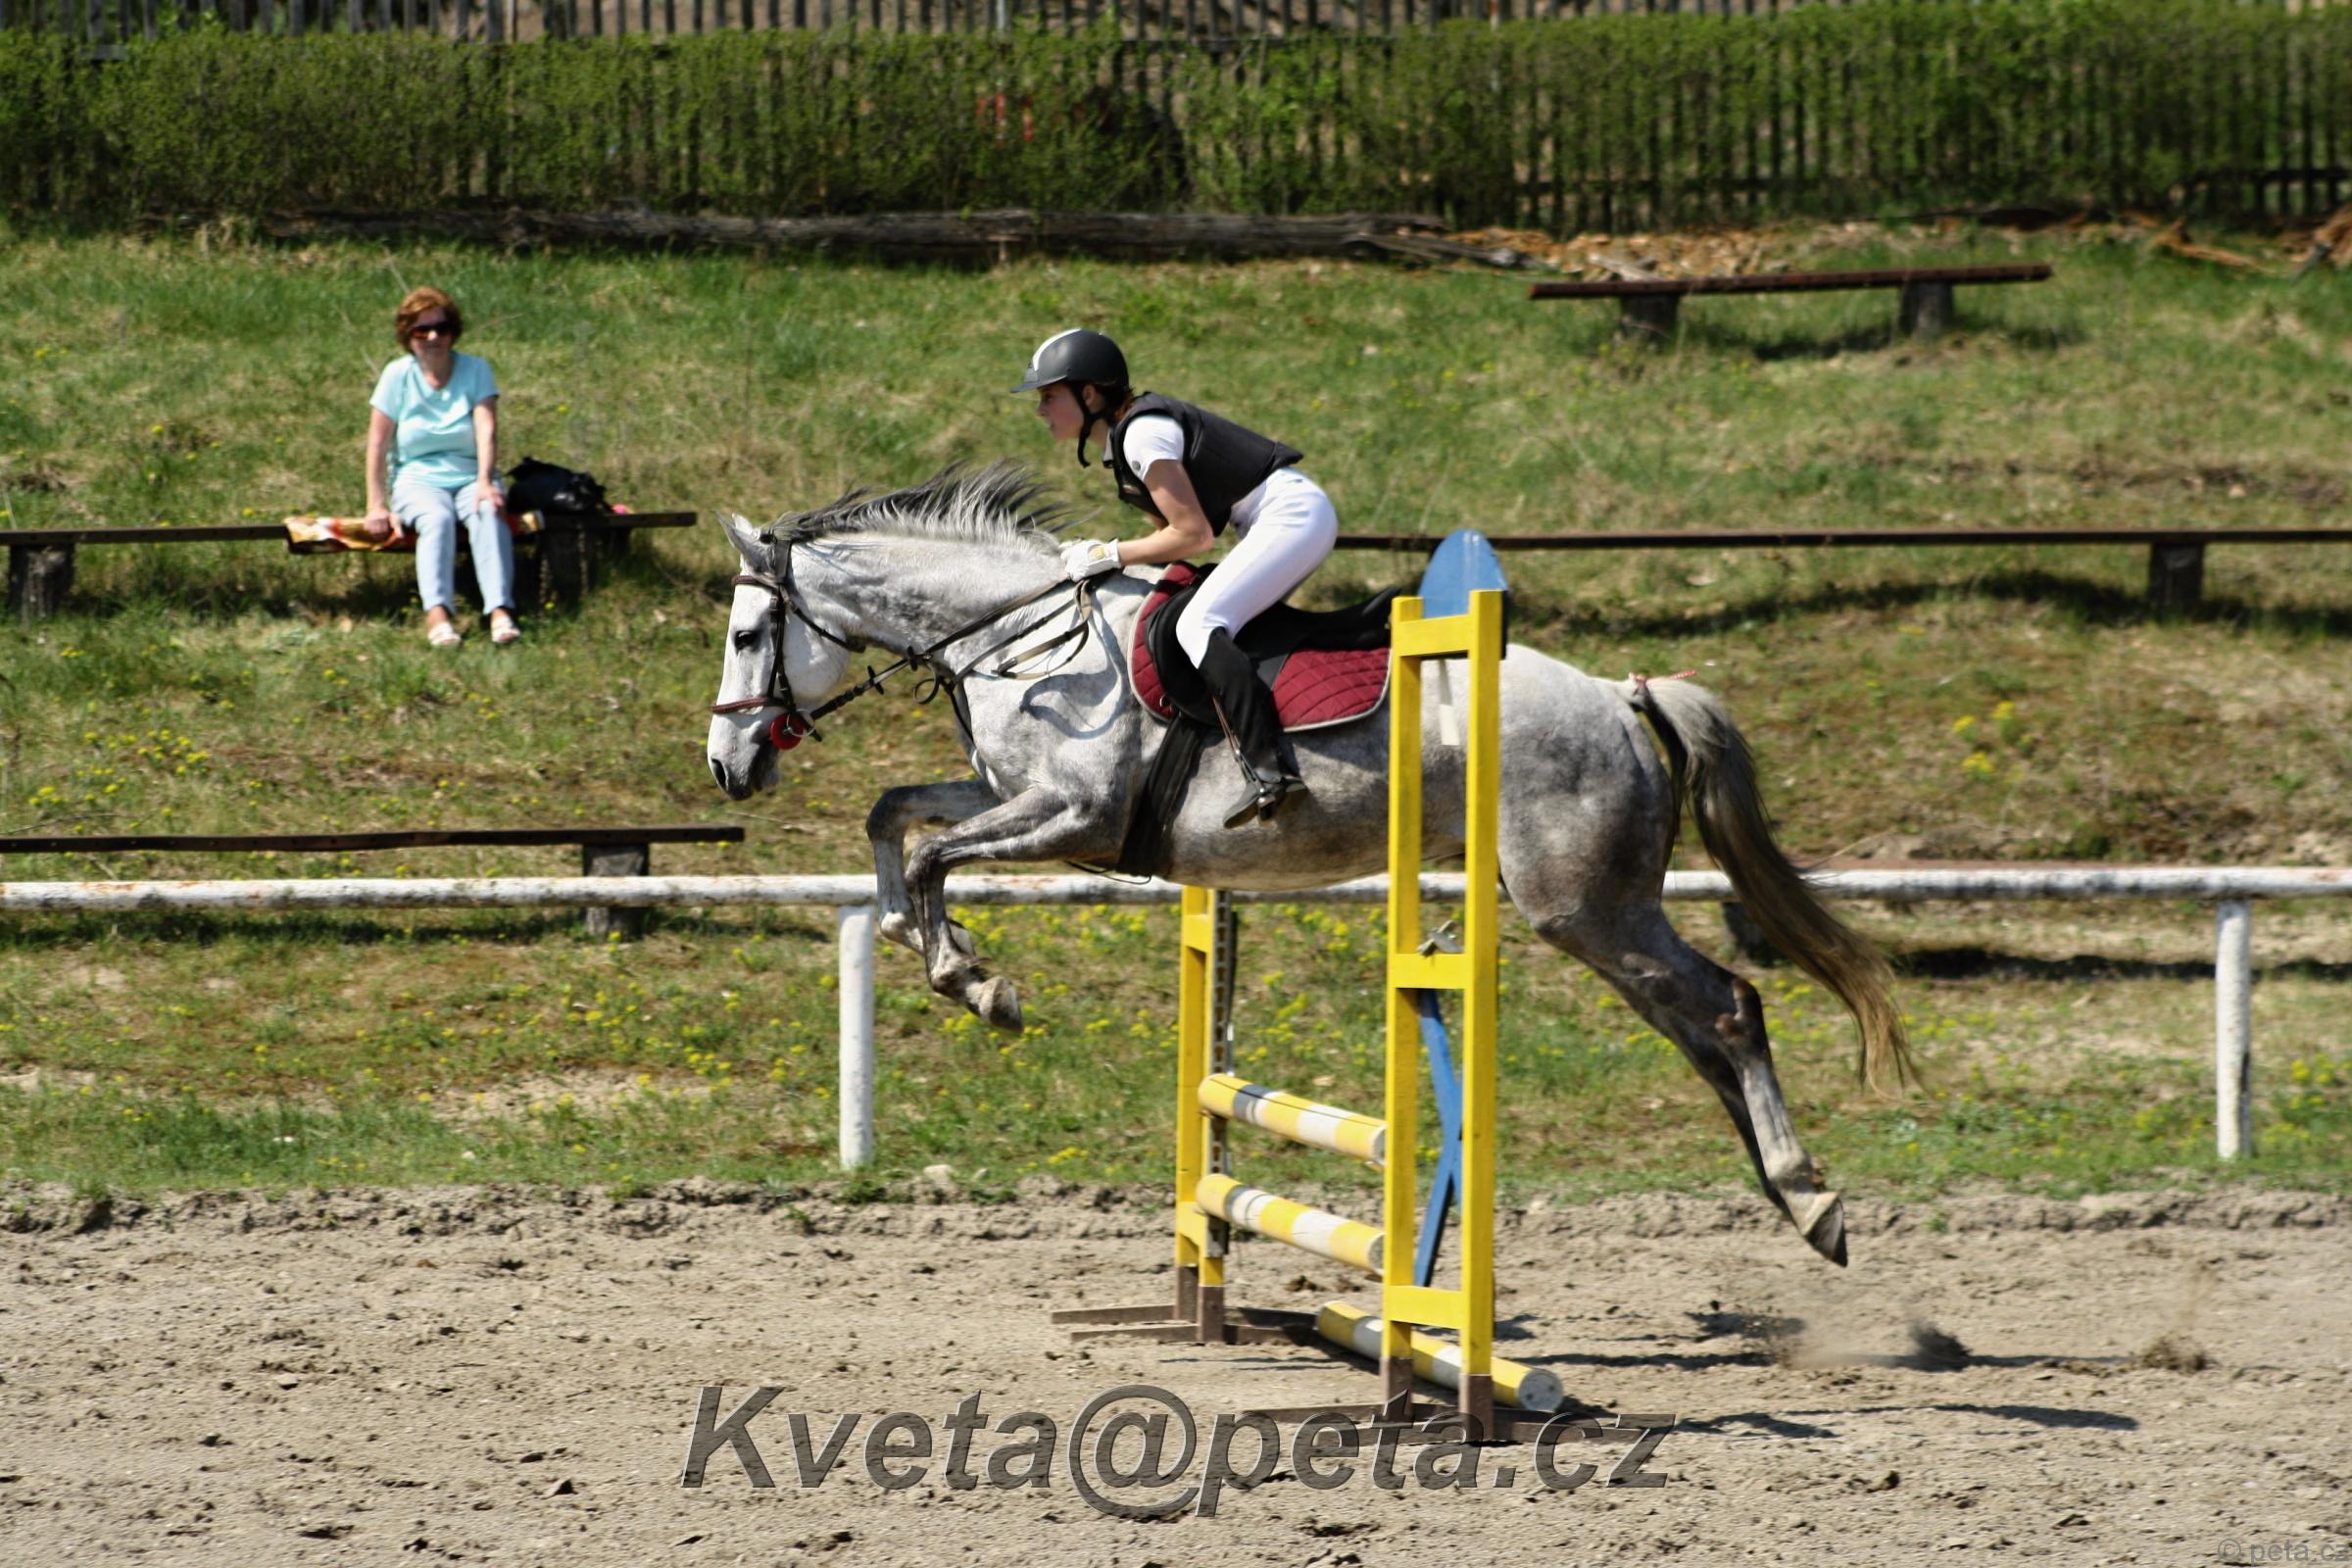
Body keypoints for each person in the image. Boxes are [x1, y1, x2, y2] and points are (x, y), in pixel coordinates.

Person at [1017, 328, 1334, 828]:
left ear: (1089, 394)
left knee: (1198, 623)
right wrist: (1113, 557)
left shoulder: (1142, 435)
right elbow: (1169, 537)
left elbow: (1192, 535)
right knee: (1205, 617)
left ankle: (1270, 771)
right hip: (1276, 520)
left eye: (1049, 396)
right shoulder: (1124, 444)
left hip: (1291, 517)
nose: (1040, 410)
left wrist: (1110, 553)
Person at [362, 286, 518, 648]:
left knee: (487, 510)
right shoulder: (396, 375)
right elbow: (377, 444)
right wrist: (376, 504)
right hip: (417, 478)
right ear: (408, 335)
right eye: (422, 330)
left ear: (453, 332)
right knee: (437, 518)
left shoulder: (476, 370)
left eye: (441, 329)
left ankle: (500, 610)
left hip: (470, 473)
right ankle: (438, 614)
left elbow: (486, 429)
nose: (433, 338)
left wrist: (485, 481)